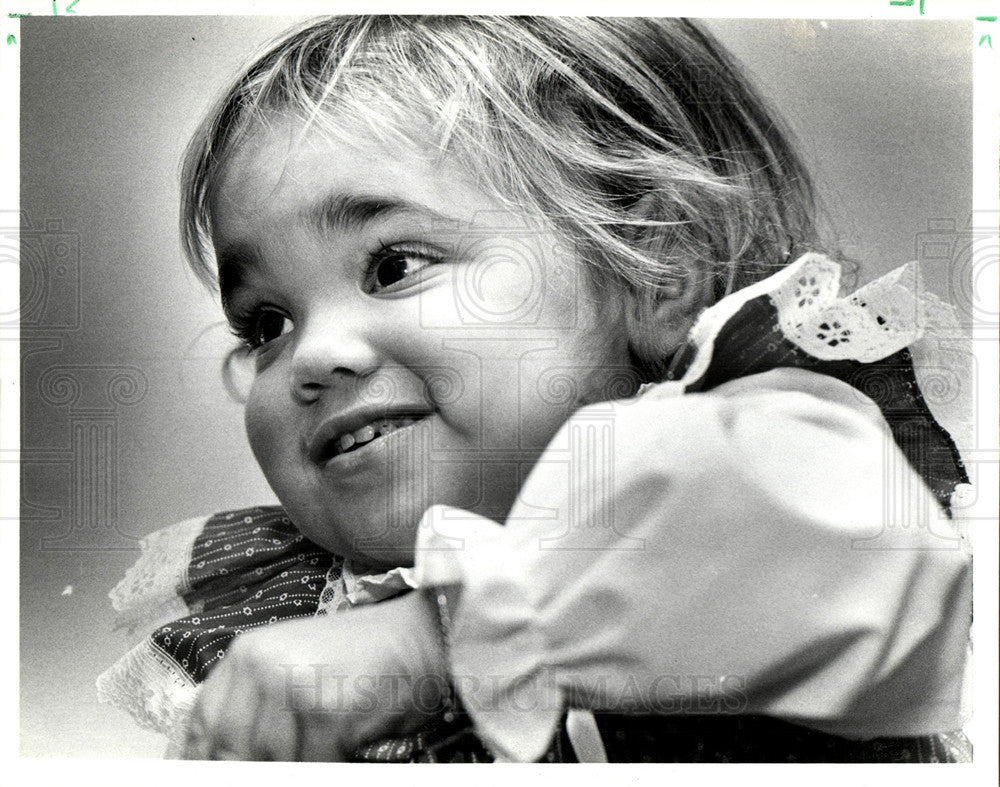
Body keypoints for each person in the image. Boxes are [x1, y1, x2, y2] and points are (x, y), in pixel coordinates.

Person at [97, 16, 972, 763]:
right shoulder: (295, 621)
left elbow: (856, 554)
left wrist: (431, 643)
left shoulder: (770, 451)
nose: (313, 356)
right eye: (266, 324)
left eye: (394, 265)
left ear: (655, 269)